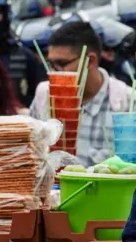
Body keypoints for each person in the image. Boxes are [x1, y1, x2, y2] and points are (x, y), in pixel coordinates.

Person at [30, 21, 131, 167]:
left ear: (90, 61)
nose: (53, 72)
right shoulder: (44, 95)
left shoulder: (126, 103)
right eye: (51, 64)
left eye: (61, 63)